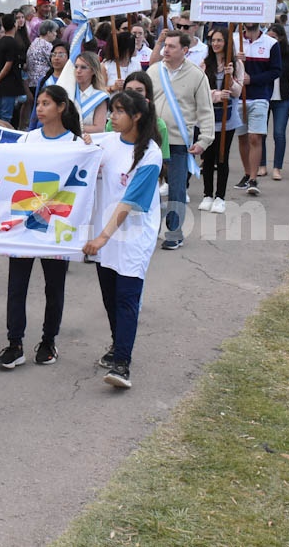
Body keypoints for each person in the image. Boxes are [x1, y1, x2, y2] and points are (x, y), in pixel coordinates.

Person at [0, 85, 83, 369]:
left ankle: (48, 341)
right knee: (16, 286)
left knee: (54, 287)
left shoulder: (76, 144)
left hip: (56, 223)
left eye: (46, 104)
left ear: (61, 107)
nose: (40, 109)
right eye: (39, 104)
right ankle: (14, 343)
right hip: (24, 221)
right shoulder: (28, 139)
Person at [82, 90, 162, 388]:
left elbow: (130, 202)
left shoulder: (150, 153)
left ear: (137, 116)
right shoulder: (108, 141)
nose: (112, 117)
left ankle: (122, 364)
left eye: (118, 111)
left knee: (127, 298)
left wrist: (102, 237)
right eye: (111, 111)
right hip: (104, 236)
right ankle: (118, 345)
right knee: (109, 297)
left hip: (132, 237)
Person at [147, 30, 214, 249]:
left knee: (176, 189)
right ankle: (150, 229)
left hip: (178, 141)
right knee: (149, 188)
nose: (166, 50)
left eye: (171, 46)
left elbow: (205, 111)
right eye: (165, 45)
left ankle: (174, 233)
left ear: (185, 50)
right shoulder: (154, 71)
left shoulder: (197, 75)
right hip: (152, 140)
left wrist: (204, 140)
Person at [232, 23, 281, 195]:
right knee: (242, 137)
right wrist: (236, 63)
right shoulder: (234, 40)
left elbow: (276, 71)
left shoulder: (271, 43)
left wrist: (252, 79)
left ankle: (253, 178)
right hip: (237, 97)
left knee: (255, 137)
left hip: (260, 96)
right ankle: (247, 174)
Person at [199, 29, 244, 214]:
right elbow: (199, 92)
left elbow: (238, 92)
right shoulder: (204, 64)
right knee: (207, 157)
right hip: (208, 118)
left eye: (219, 40)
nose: (215, 44)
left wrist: (231, 78)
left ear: (226, 43)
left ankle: (220, 196)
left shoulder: (236, 64)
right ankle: (207, 194)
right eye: (213, 40)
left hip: (228, 118)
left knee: (222, 156)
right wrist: (215, 95)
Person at [259, 24, 289, 181]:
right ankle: (261, 165)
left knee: (279, 133)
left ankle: (277, 167)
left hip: (282, 99)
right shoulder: (262, 53)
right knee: (260, 132)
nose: (270, 40)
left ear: (281, 38)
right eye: (268, 37)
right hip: (263, 97)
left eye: (274, 37)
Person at [0, 14, 28, 124]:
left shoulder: (0, 42)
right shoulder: (12, 43)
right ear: (14, 24)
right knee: (6, 116)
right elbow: (9, 64)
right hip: (10, 84)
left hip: (1, 84)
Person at [73, 51, 110, 134]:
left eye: (83, 67)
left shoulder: (100, 97)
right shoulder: (70, 93)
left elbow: (99, 128)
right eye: (76, 67)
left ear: (93, 71)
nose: (78, 71)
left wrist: (72, 127)